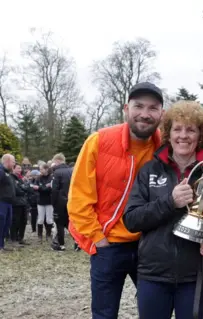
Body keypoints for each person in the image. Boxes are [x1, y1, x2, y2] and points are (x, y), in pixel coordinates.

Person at [123, 100, 203, 319]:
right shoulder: (149, 170)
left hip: (197, 277)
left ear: (200, 135)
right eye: (177, 129)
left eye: (190, 130)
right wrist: (169, 202)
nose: (183, 136)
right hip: (153, 275)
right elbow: (132, 219)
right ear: (168, 133)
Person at [67, 82, 164, 319]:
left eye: (152, 108)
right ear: (126, 108)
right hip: (109, 245)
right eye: (138, 106)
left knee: (155, 312)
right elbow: (78, 199)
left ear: (162, 113)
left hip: (148, 246)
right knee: (104, 314)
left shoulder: (166, 148)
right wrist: (98, 239)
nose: (144, 114)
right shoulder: (98, 141)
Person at [50, 153, 73, 251]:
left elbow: (55, 189)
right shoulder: (71, 171)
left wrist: (53, 202)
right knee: (69, 222)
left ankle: (61, 244)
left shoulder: (57, 172)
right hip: (71, 200)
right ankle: (78, 242)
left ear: (57, 161)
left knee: (59, 223)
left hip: (60, 202)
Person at [33, 163, 54, 242]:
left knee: (49, 219)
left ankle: (49, 235)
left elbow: (49, 189)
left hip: (49, 201)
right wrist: (44, 187)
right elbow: (34, 187)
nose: (40, 170)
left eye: (41, 169)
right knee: (40, 219)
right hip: (40, 201)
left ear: (46, 169)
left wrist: (40, 188)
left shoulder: (51, 178)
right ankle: (40, 236)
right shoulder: (38, 178)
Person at [10, 163, 29, 245]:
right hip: (16, 203)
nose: (20, 170)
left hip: (23, 202)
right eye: (18, 168)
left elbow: (27, 188)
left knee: (23, 221)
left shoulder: (20, 178)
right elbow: (17, 190)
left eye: (20, 168)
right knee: (15, 221)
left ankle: (21, 238)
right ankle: (14, 239)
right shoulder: (11, 178)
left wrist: (23, 189)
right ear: (13, 169)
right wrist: (23, 189)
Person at [0, 154, 16, 252]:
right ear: (8, 161)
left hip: (9, 203)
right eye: (13, 162)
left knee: (7, 224)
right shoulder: (1, 172)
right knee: (1, 224)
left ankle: (2, 245)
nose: (14, 164)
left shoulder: (7, 173)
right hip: (2, 203)